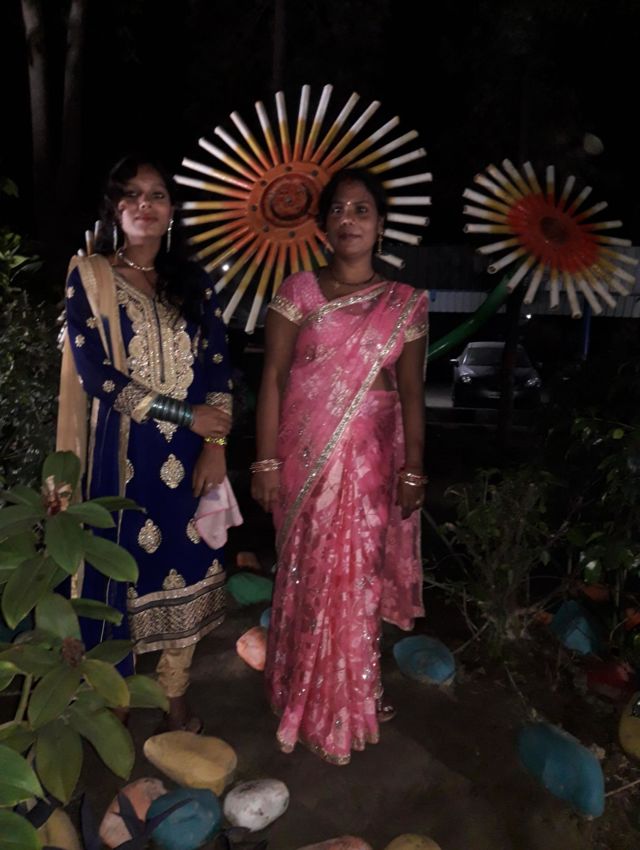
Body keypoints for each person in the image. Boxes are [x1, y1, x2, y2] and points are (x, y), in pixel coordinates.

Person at [252, 167, 428, 764]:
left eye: (361, 210)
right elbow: (273, 376)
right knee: (307, 571)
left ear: (380, 225)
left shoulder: (405, 303)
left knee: (357, 578)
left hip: (373, 464)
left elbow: (411, 394)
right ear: (324, 226)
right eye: (338, 210)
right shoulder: (298, 291)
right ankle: (300, 689)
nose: (348, 219)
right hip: (305, 461)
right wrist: (264, 460)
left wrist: (413, 471)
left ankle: (354, 691)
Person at [57, 154, 233, 731]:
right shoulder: (90, 278)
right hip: (124, 454)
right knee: (121, 566)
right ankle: (116, 692)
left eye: (157, 194)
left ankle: (175, 691)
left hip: (193, 455)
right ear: (115, 210)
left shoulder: (195, 283)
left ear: (172, 210)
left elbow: (218, 368)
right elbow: (96, 375)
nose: (145, 205)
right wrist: (184, 415)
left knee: (190, 560)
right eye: (131, 195)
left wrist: (216, 443)